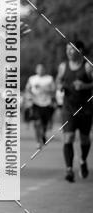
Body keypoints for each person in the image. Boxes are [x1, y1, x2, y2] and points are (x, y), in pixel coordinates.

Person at [56, 40, 93, 182]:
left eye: (71, 49)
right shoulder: (63, 66)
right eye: (67, 49)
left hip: (85, 109)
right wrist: (60, 86)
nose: (68, 52)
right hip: (68, 108)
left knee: (84, 139)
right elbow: (58, 80)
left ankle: (83, 160)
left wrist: (84, 86)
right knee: (69, 137)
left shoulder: (88, 66)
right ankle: (69, 169)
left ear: (80, 51)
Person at [25, 63, 56, 147]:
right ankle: (38, 141)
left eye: (42, 69)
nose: (40, 70)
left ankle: (43, 135)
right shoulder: (32, 79)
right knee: (37, 122)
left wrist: (44, 89)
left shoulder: (49, 78)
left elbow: (54, 90)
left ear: (44, 70)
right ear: (36, 70)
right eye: (39, 69)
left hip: (46, 103)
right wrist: (29, 96)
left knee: (44, 123)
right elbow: (27, 88)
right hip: (36, 103)